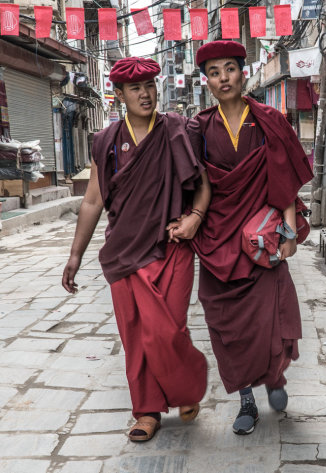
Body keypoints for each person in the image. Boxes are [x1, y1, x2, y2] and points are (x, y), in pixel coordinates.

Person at [61, 57, 210, 443]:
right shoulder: (107, 140)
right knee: (134, 337)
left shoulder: (178, 129)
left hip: (171, 247)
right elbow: (93, 201)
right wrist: (75, 254)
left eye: (149, 86)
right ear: (120, 94)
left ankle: (186, 386)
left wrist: (194, 216)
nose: (144, 94)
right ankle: (146, 411)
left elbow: (203, 185)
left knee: (166, 332)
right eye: (134, 88)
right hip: (124, 252)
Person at [175, 40, 313, 435]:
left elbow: (283, 179)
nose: (223, 79)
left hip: (261, 242)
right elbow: (188, 182)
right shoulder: (199, 128)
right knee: (227, 325)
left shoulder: (268, 119)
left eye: (230, 70)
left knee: (268, 319)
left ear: (243, 71)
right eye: (214, 73)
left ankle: (275, 377)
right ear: (206, 81)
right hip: (218, 241)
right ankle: (246, 400)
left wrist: (288, 233)